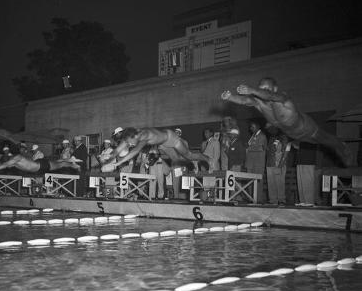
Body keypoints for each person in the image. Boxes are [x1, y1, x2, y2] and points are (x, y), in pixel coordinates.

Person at [221, 77, 353, 166]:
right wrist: (230, 97)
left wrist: (252, 90)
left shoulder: (282, 97)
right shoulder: (259, 103)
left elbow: (271, 96)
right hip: (293, 135)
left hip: (306, 128)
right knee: (317, 143)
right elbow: (244, 101)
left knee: (326, 141)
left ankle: (342, 146)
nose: (262, 91)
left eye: (266, 89)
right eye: (260, 88)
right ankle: (338, 146)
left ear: (274, 89)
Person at [104, 127, 207, 172]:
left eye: (130, 141)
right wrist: (111, 156)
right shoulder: (133, 136)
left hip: (170, 139)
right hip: (162, 145)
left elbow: (134, 152)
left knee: (188, 155)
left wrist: (118, 163)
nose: (130, 144)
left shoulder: (144, 136)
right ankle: (192, 164)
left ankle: (203, 160)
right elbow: (118, 149)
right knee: (177, 159)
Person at [0, 154, 81, 177]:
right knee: (57, 162)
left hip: (42, 165)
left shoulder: (17, 158)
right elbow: (1, 164)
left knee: (61, 164)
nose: (10, 165)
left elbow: (5, 164)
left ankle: (73, 164)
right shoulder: (14, 162)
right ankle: (70, 160)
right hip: (38, 167)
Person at [266, 126, 290, 205]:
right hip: (270, 163)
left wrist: (280, 165)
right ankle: (272, 200)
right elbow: (269, 150)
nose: (268, 129)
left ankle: (281, 200)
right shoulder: (271, 138)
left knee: (279, 183)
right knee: (271, 183)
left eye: (270, 128)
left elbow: (286, 152)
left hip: (278, 163)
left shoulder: (284, 138)